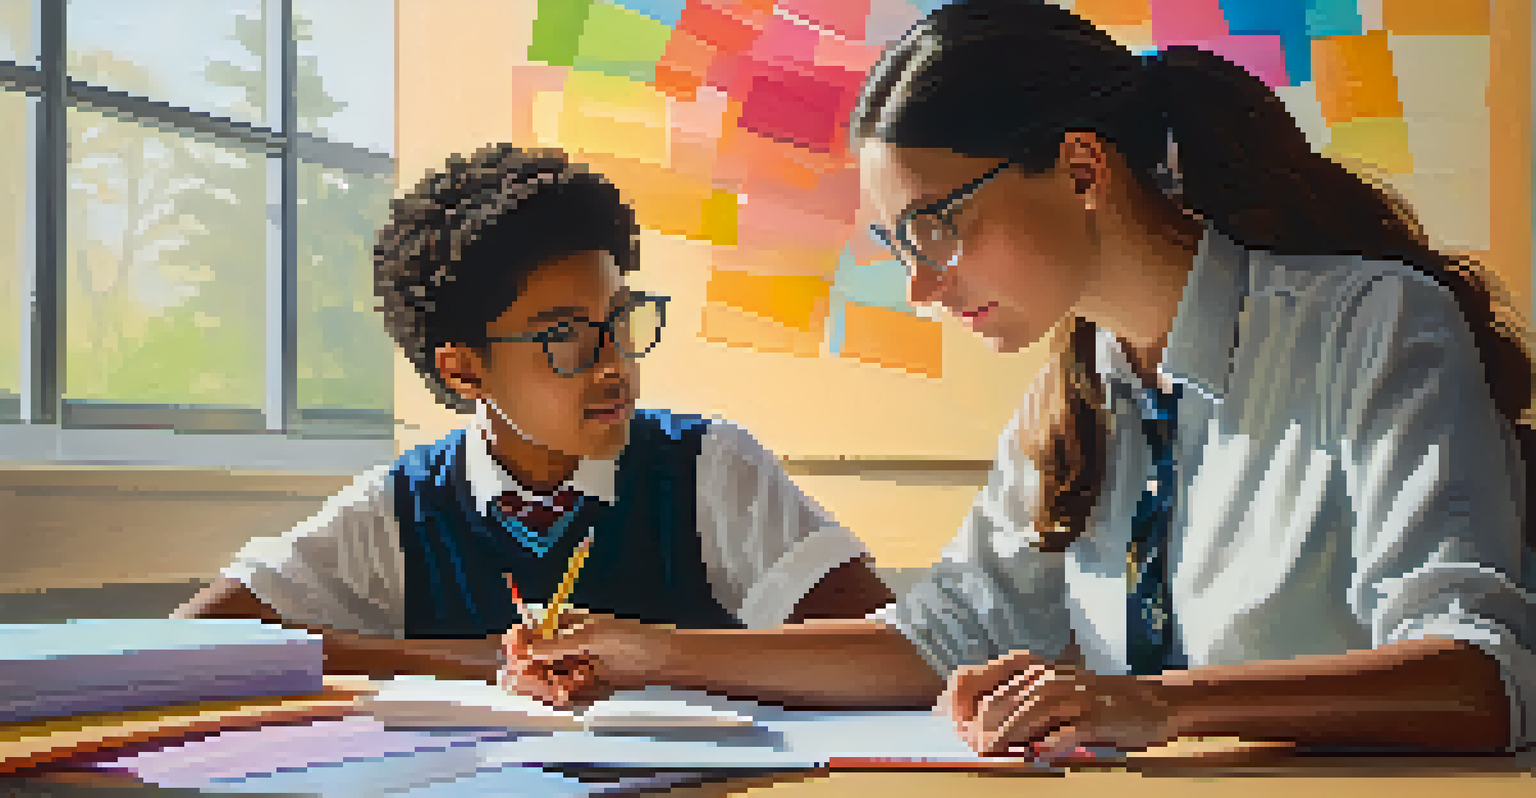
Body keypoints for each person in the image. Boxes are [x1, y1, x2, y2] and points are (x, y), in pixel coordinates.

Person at [501, 0, 1536, 758]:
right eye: (895, 246)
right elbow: (930, 642)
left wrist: (1161, 701)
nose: (920, 287)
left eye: (934, 227)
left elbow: (1478, 677)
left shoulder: (1373, 325)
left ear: (1083, 170)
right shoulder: (1082, 386)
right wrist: (652, 653)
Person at [173, 145, 894, 682]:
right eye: (564, 338)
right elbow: (197, 638)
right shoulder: (401, 507)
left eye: (619, 318)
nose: (614, 363)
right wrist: (488, 662)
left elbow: (904, 652)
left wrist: (652, 656)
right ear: (465, 368)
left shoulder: (707, 468)